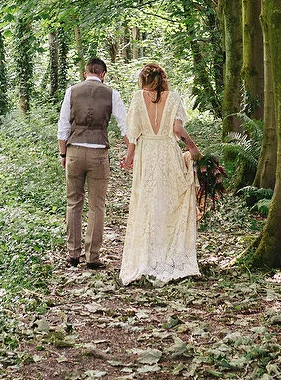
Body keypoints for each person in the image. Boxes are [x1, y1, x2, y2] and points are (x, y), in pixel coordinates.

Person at [119, 62, 201, 284]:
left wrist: (129, 157)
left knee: (146, 203)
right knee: (168, 203)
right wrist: (193, 147)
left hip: (147, 152)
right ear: (163, 78)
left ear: (143, 80)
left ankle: (146, 257)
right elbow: (177, 129)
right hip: (167, 152)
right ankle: (167, 255)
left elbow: (133, 134)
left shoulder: (137, 98)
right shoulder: (173, 98)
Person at [57, 57, 127, 269]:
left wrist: (63, 154)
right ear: (103, 74)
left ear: (85, 72)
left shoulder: (72, 91)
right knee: (97, 205)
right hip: (98, 154)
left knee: (73, 202)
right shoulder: (111, 93)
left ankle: (73, 255)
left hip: (75, 152)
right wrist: (132, 150)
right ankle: (92, 257)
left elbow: (63, 126)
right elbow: (125, 125)